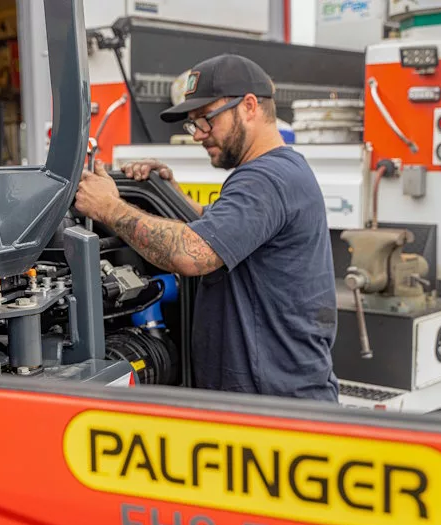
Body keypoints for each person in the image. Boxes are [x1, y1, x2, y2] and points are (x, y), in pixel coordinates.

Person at [75, 53, 338, 402]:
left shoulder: (266, 178)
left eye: (206, 120)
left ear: (248, 107)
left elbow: (192, 254)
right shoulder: (278, 173)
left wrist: (108, 207)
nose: (198, 134)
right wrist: (169, 196)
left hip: (273, 412)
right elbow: (225, 228)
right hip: (262, 402)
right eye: (193, 124)